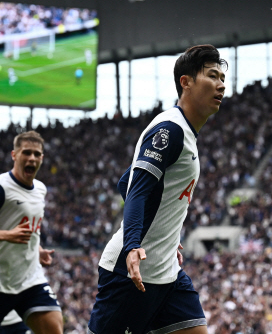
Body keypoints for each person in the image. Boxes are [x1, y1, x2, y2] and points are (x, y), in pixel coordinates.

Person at [88, 44, 227, 334]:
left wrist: (168, 236)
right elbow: (136, 190)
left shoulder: (186, 134)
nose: (221, 85)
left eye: (223, 78)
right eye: (212, 76)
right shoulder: (170, 130)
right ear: (185, 82)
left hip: (168, 275)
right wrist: (133, 244)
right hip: (130, 276)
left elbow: (125, 182)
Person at [0, 131, 62, 334]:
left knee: (55, 327)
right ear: (14, 155)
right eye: (26, 153)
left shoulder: (40, 189)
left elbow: (28, 228)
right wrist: (7, 235)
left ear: (41, 158)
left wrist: (37, 249)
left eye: (36, 154)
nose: (31, 158)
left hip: (30, 280)